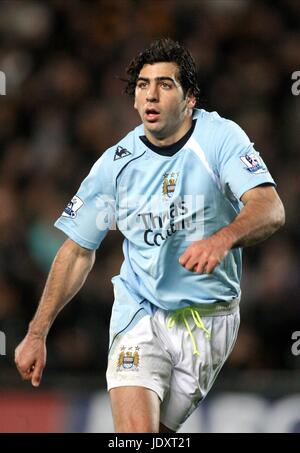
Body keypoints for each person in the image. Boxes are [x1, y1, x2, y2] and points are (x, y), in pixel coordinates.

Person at [15, 38, 285, 433]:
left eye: (165, 84)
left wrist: (222, 239)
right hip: (139, 310)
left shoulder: (219, 139)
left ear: (190, 97)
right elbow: (76, 252)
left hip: (208, 319)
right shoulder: (116, 165)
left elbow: (270, 208)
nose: (151, 95)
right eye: (143, 85)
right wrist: (36, 333)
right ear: (134, 99)